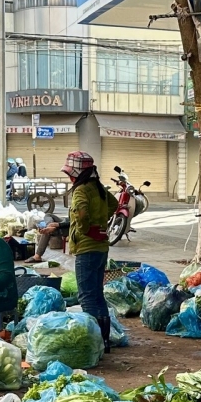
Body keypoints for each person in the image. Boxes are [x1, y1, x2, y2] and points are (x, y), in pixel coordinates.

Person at [62, 150, 119, 349]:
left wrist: (88, 229)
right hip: (101, 248)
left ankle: (94, 342)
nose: (69, 177)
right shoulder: (98, 187)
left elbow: (80, 213)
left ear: (77, 173)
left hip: (86, 248)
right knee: (97, 294)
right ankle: (104, 340)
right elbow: (114, 204)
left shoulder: (81, 190)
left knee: (87, 297)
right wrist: (100, 221)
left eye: (70, 173)